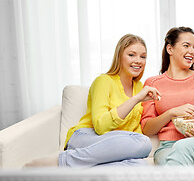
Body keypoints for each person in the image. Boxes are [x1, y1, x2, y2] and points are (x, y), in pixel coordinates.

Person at [25, 34, 160, 168]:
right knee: (143, 142)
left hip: (114, 146)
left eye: (143, 56)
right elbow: (100, 126)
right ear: (119, 57)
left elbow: (133, 131)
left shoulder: (139, 88)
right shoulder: (104, 81)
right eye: (131, 55)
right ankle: (59, 161)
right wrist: (136, 99)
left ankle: (79, 171)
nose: (138, 60)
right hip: (87, 137)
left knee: (141, 165)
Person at [141, 27, 194, 165]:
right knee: (171, 162)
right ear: (170, 49)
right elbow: (147, 128)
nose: (192, 52)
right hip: (168, 146)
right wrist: (171, 113)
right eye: (186, 45)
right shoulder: (152, 83)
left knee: (180, 152)